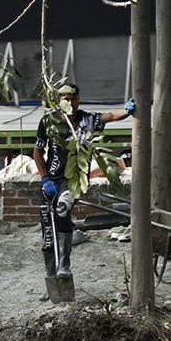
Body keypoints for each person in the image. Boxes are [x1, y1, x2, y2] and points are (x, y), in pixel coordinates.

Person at [33, 83, 135, 300]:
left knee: (61, 211)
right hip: (51, 180)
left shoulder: (86, 121)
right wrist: (44, 178)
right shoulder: (48, 121)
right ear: (59, 100)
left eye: (74, 98)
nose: (70, 103)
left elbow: (110, 116)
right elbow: (37, 152)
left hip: (73, 181)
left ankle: (65, 268)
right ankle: (52, 280)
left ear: (79, 99)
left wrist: (126, 111)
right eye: (66, 99)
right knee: (47, 232)